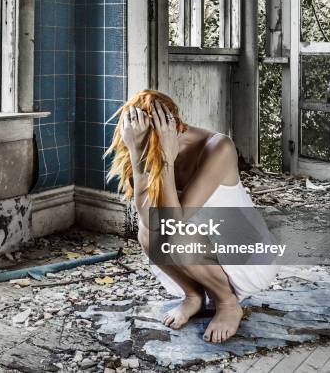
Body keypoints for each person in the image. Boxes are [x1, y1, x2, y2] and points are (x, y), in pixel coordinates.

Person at [104, 89, 278, 343]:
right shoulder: (143, 146)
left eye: (144, 141)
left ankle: (228, 303)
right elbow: (147, 216)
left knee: (173, 234)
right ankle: (194, 296)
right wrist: (135, 151)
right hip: (205, 248)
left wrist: (166, 157)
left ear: (173, 127)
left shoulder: (219, 147)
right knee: (146, 229)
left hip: (248, 257)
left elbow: (174, 222)